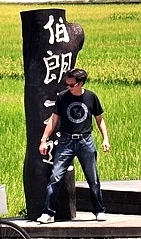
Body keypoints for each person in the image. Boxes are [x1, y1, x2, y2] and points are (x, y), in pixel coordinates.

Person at [37, 68, 110, 224]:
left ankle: (99, 210)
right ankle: (47, 212)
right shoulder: (62, 98)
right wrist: (44, 139)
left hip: (85, 141)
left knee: (93, 178)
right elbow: (53, 120)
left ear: (80, 83)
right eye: (67, 84)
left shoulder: (91, 97)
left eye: (71, 85)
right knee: (55, 176)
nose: (68, 87)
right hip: (66, 141)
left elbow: (99, 119)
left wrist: (105, 139)